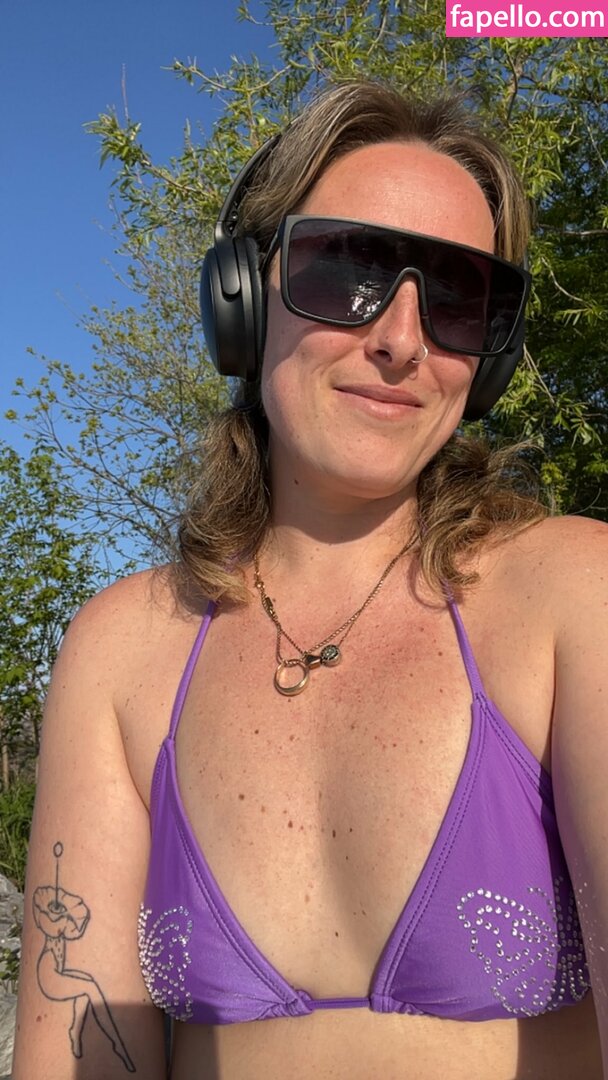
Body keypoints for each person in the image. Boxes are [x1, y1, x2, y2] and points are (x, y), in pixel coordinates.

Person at [12, 80, 607, 1080]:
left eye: (457, 296)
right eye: (348, 272)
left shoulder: (575, 597)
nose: (402, 339)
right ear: (242, 298)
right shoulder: (119, 649)